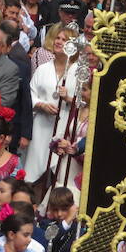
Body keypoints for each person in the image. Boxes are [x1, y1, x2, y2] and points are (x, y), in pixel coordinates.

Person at [22, 26, 77, 182]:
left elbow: (85, 103)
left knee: (58, 173)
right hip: (41, 126)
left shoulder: (78, 71)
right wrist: (40, 104)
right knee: (35, 170)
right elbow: (31, 94)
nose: (59, 42)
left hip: (65, 126)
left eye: (64, 39)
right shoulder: (43, 69)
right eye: (57, 38)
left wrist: (67, 99)